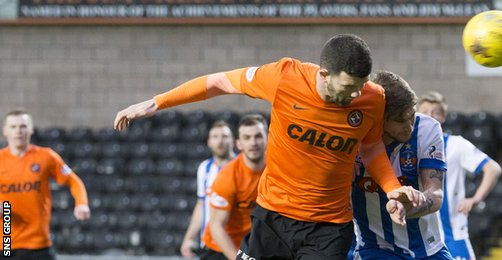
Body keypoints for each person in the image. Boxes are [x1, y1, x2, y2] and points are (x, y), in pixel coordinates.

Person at [113, 34, 422, 259]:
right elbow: (218, 82)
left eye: (360, 88)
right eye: (347, 88)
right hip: (272, 218)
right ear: (324, 74)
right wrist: (157, 102)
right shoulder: (284, 77)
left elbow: (370, 149)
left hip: (329, 228)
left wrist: (392, 187)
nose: (355, 96)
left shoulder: (374, 96)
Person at [350, 72, 453, 260]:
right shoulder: (353, 135)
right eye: (400, 120)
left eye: (411, 116)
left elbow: (436, 195)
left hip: (429, 248)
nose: (409, 126)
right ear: (379, 118)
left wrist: (411, 207)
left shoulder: (428, 129)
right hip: (375, 248)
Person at [416, 91, 502, 260]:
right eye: (425, 111)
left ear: (444, 117)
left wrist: (475, 199)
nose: (430, 116)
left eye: (436, 112)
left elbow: (493, 168)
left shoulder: (457, 145)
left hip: (453, 235)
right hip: (420, 236)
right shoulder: (409, 147)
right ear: (417, 114)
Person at [0, 110, 90, 260]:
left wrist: (82, 203)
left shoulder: (46, 156)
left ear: (30, 129)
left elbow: (73, 181)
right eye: (13, 127)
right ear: (5, 131)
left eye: (23, 126)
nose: (18, 131)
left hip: (38, 244)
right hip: (6, 242)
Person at [202, 114, 267, 260]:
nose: (253, 143)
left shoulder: (276, 169)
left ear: (267, 138)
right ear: (238, 144)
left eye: (258, 136)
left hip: (255, 246)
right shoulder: (228, 176)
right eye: (247, 138)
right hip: (221, 248)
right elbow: (216, 227)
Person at [181, 120, 236, 258]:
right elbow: (201, 204)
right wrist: (188, 237)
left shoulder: (242, 168)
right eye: (215, 137)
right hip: (209, 243)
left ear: (234, 141)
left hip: (236, 242)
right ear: (209, 142)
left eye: (224, 136)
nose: (220, 141)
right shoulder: (204, 168)